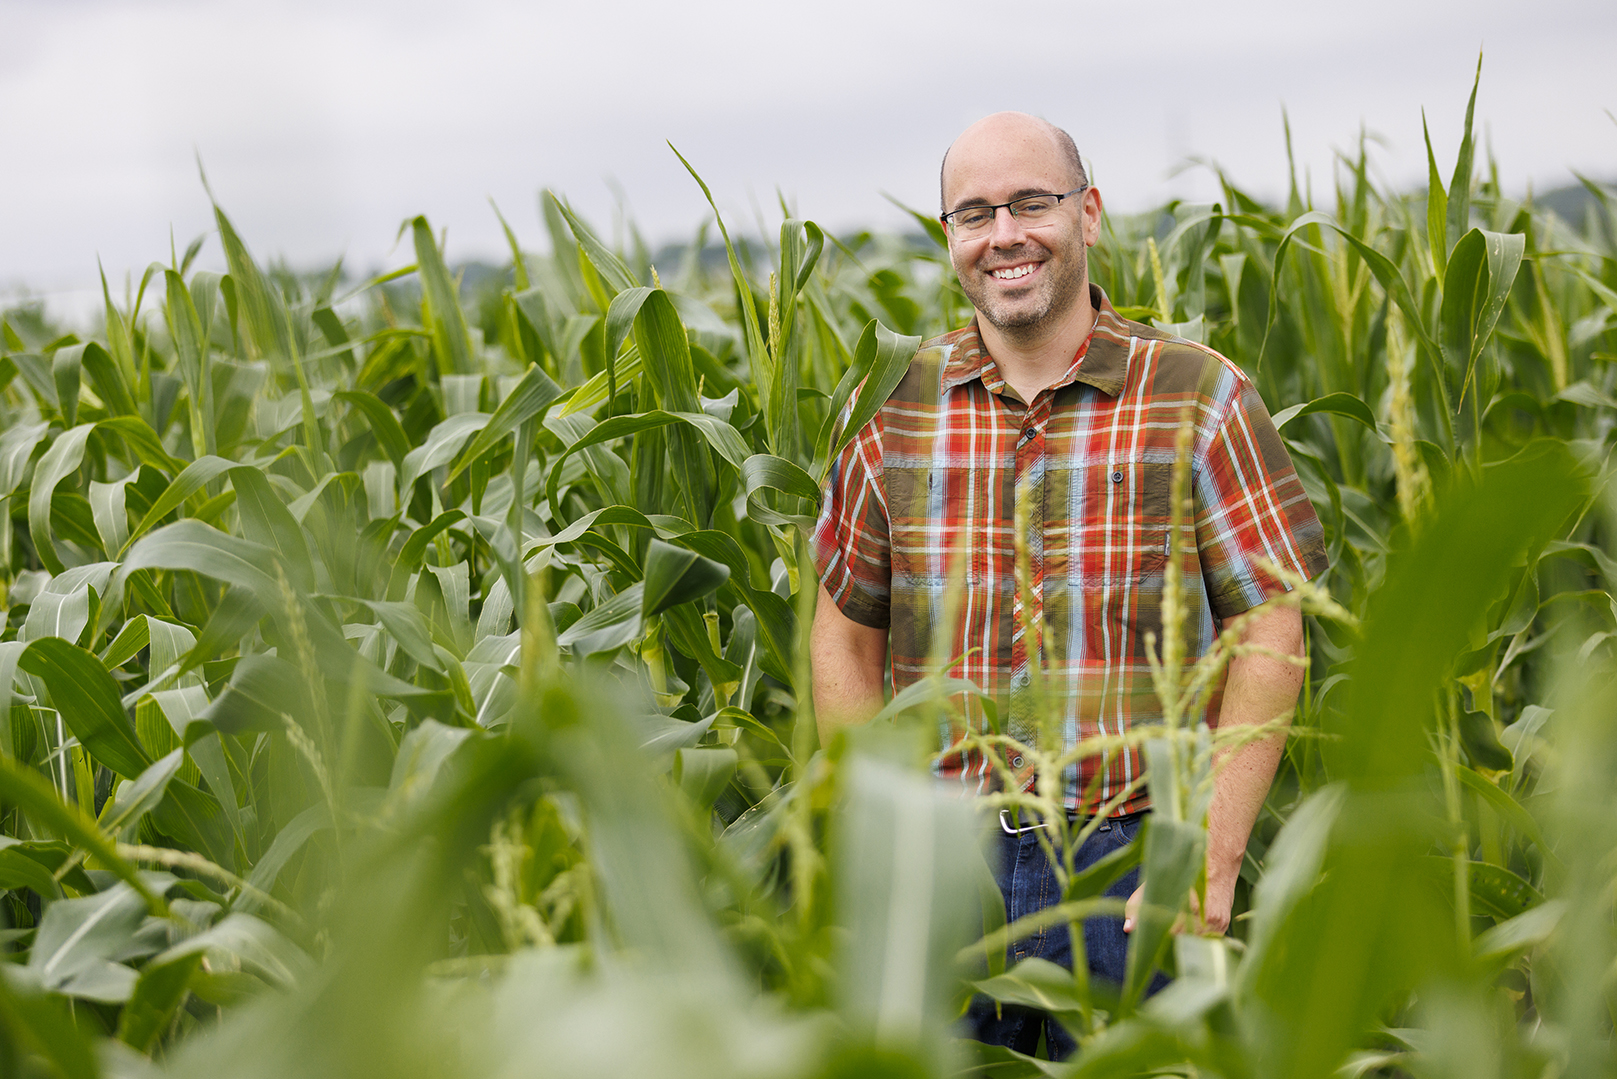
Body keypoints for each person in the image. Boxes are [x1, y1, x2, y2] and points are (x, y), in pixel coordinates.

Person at [809, 112, 1328, 1058]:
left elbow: (1271, 630)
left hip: (1128, 864)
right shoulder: (888, 407)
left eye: (1030, 203)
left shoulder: (1196, 396)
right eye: (974, 213)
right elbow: (845, 636)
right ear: (949, 240)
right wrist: (872, 834)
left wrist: (1208, 854)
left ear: (1087, 214)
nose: (1003, 234)